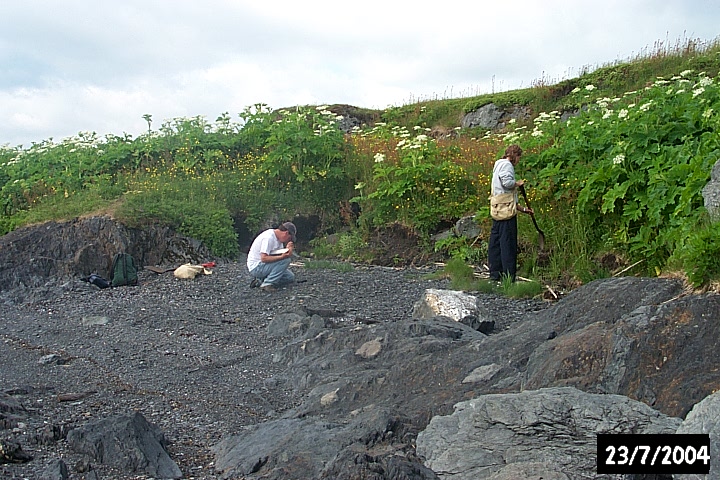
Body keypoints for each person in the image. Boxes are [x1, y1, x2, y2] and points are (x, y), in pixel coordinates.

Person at [488, 145, 533, 282]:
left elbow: (503, 192)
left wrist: (524, 210)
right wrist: (517, 183)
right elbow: (507, 183)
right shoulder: (507, 165)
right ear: (515, 156)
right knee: (508, 242)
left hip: (497, 207)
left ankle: (495, 273)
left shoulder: (498, 164)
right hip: (506, 212)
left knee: (495, 242)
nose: (519, 160)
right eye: (519, 157)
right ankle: (509, 276)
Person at [247, 222, 297, 292]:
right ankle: (267, 284)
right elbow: (264, 258)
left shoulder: (278, 239)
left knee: (289, 277)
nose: (289, 240)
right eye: (290, 238)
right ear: (286, 233)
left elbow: (277, 256)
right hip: (256, 266)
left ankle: (260, 280)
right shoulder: (268, 238)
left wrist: (289, 250)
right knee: (286, 260)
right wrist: (282, 257)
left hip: (264, 265)